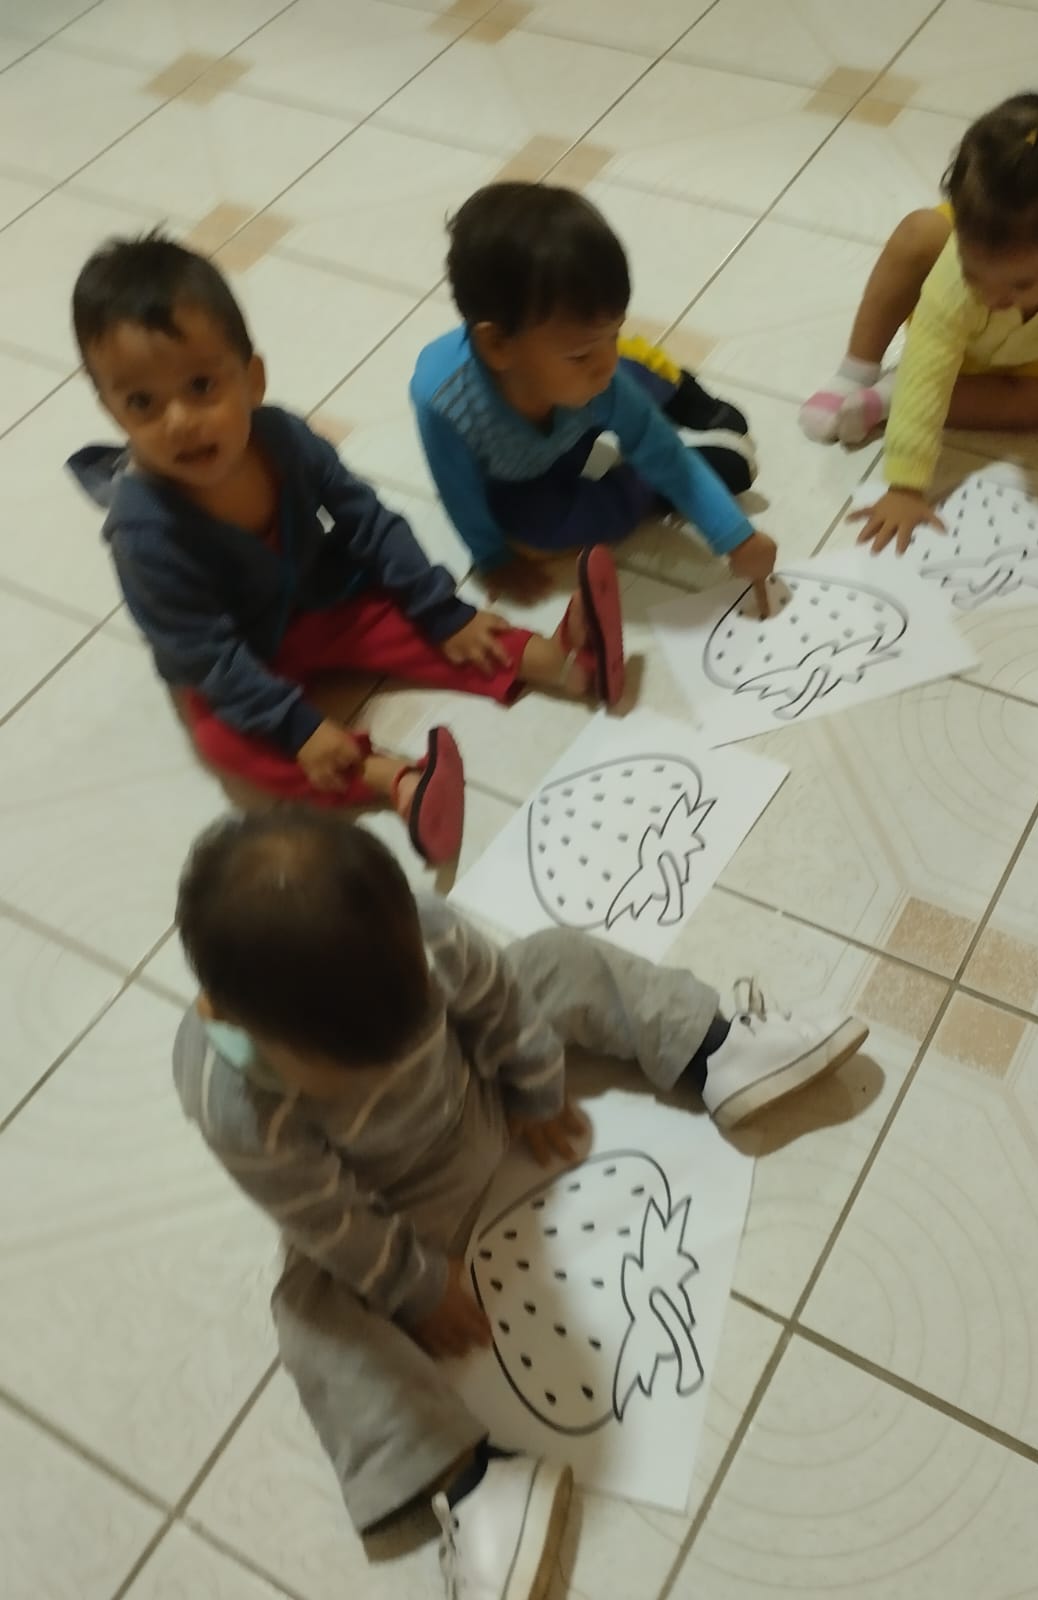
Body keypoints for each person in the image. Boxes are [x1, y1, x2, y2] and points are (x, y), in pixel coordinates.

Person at [172, 810, 868, 1598]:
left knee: (557, 958)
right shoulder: (230, 1098)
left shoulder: (424, 931)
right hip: (398, 1205)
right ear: (227, 1017)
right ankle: (477, 1485)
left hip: (483, 1088)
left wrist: (536, 1084)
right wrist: (417, 1285)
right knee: (309, 1313)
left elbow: (501, 1000)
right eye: (353, 1066)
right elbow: (326, 1217)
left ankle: (717, 1048)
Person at [66, 233, 626, 866]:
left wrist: (443, 612)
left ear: (252, 379)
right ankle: (397, 782)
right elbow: (207, 655)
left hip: (322, 600)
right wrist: (298, 728)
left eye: (201, 385)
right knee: (225, 742)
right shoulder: (144, 534)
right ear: (112, 411)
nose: (178, 421)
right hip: (235, 658)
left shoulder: (284, 438)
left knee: (412, 618)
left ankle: (564, 662)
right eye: (142, 402)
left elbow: (367, 520)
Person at [799, 65, 1038, 554]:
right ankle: (856, 371)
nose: (993, 298)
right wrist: (905, 485)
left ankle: (888, 397)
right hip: (947, 330)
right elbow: (930, 358)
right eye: (977, 274)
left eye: (1021, 283)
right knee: (917, 233)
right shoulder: (955, 272)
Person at [411, 181, 778, 602]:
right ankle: (658, 487)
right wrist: (492, 557)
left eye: (614, 333)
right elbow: (459, 492)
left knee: (626, 373)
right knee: (538, 530)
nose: (605, 359)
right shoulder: (444, 404)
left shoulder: (596, 371)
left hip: (581, 410)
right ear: (498, 345)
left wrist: (736, 536)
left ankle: (677, 388)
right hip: (522, 471)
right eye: (581, 353)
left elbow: (657, 445)